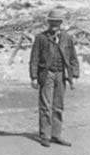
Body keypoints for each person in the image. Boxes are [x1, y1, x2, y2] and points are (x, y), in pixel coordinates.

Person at [29, 8, 80, 147]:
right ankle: (45, 135)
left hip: (61, 75)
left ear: (61, 23)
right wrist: (33, 77)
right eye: (52, 22)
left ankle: (56, 135)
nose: (54, 25)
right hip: (47, 74)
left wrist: (74, 75)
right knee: (45, 105)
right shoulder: (41, 38)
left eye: (57, 22)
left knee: (58, 106)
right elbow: (34, 58)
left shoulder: (67, 38)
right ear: (48, 22)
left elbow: (73, 58)